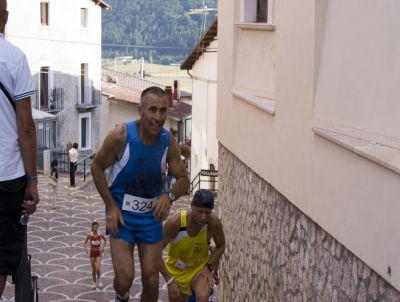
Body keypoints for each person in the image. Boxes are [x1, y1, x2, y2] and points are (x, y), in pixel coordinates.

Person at [91, 86, 190, 302]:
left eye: (163, 111)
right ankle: (121, 295)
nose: (158, 117)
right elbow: (96, 168)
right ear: (140, 110)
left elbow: (184, 180)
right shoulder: (120, 136)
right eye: (152, 110)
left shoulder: (168, 142)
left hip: (150, 217)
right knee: (125, 278)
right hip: (121, 215)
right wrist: (111, 206)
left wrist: (169, 196)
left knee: (152, 280)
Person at [0, 0, 40, 297]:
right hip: (6, 176)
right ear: (5, 17)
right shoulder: (14, 58)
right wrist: (32, 180)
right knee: (1, 260)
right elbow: (25, 126)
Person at [159, 189, 225, 302]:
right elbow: (154, 253)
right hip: (176, 272)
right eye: (199, 211)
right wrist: (169, 281)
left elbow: (221, 245)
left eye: (207, 212)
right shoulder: (175, 223)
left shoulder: (213, 223)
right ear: (192, 206)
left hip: (199, 267)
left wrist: (208, 267)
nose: (204, 217)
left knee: (203, 295)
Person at [84, 222, 107, 289]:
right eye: (94, 227)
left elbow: (105, 241)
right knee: (93, 270)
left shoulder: (100, 234)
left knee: (98, 269)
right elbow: (85, 243)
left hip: (98, 253)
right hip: (92, 254)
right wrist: (86, 249)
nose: (95, 229)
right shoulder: (89, 235)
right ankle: (94, 283)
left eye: (96, 227)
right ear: (92, 227)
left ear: (98, 227)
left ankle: (99, 280)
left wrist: (103, 247)